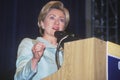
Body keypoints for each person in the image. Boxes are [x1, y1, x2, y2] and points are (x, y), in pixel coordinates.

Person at [14, 1, 70, 80]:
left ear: (64, 27)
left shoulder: (68, 52)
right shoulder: (29, 43)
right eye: (52, 17)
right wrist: (35, 59)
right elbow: (19, 78)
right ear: (42, 23)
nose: (57, 23)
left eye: (61, 20)